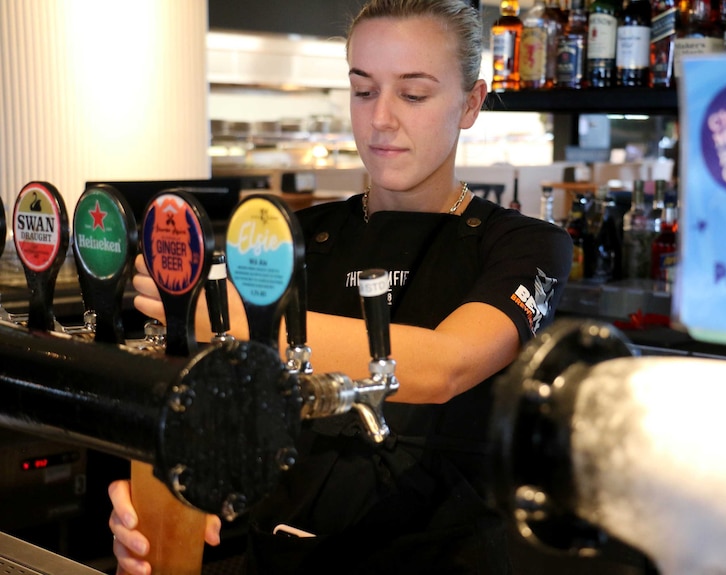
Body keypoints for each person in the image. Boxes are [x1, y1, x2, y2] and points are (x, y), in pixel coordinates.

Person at [109, 1, 574, 573]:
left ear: (470, 103)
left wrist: (226, 322)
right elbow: (220, 416)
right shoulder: (294, 238)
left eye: (414, 93)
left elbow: (444, 365)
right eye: (363, 90)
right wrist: (165, 494)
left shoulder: (525, 246)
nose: (381, 119)